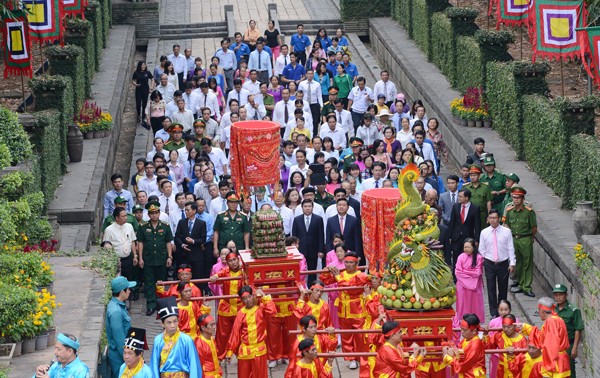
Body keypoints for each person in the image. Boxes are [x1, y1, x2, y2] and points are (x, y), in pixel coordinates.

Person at [319, 251, 370, 370]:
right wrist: (326, 270)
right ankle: (350, 358)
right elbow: (325, 281)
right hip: (343, 309)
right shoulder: (341, 273)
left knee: (359, 335)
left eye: (351, 262)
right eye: (346, 262)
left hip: (357, 309)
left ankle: (361, 357)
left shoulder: (360, 275)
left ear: (356, 263)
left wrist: (337, 277)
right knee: (346, 335)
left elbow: (349, 287)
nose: (348, 265)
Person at [226, 286, 277, 378]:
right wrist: (230, 351)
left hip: (259, 350)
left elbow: (272, 311)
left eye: (249, 297)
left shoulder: (261, 309)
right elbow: (235, 333)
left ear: (253, 296)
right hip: (245, 351)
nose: (248, 300)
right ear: (241, 300)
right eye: (244, 298)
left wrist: (263, 295)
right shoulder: (241, 313)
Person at [137, 201, 174, 316]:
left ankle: (160, 305)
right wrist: (140, 258)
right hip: (148, 259)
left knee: (161, 283)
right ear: (148, 214)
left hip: (161, 258)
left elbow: (168, 242)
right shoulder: (143, 227)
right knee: (149, 283)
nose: (154, 215)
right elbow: (140, 243)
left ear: (159, 213)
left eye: (156, 213)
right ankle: (150, 305)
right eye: (152, 213)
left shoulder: (165, 226)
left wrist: (169, 256)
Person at [478, 209, 516, 319]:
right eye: (491, 218)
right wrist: (486, 260)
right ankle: (494, 312)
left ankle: (503, 310)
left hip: (503, 263)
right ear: (488, 219)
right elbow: (481, 249)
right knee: (491, 288)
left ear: (499, 218)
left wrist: (512, 263)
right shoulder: (484, 232)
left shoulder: (506, 232)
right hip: (490, 263)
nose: (493, 220)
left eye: (495, 218)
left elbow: (510, 248)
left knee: (503, 288)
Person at [150, 297, 202, 376]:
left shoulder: (186, 340)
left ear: (178, 321)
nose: (173, 325)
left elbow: (194, 364)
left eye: (175, 321)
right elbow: (154, 365)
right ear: (162, 324)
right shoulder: (158, 340)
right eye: (169, 322)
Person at [521, 297, 571, 377]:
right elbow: (543, 337)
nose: (538, 312)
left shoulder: (551, 322)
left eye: (539, 309)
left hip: (556, 362)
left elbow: (551, 346)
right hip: (560, 360)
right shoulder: (557, 319)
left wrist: (549, 367)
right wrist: (525, 328)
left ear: (542, 310)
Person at [209, 250, 245, 359]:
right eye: (230, 261)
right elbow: (216, 276)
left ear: (238, 260)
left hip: (240, 306)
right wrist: (214, 277)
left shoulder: (244, 272)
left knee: (241, 332)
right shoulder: (225, 271)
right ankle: (219, 356)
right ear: (227, 263)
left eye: (235, 260)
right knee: (222, 334)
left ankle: (240, 354)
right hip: (226, 306)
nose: (233, 263)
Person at [504, 185, 537, 298]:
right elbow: (507, 224)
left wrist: (531, 238)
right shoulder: (509, 211)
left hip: (525, 238)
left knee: (527, 263)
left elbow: (533, 227)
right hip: (514, 239)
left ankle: (527, 286)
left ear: (523, 199)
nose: (516, 199)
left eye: (518, 197)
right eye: (514, 197)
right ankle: (520, 283)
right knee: (518, 263)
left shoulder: (528, 212)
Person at [106, 276, 136, 378]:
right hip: (119, 356)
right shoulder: (116, 312)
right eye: (128, 289)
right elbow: (119, 339)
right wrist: (128, 357)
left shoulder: (117, 306)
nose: (130, 291)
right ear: (122, 292)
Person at [453, 239, 485, 331]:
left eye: (468, 247)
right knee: (463, 305)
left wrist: (465, 271)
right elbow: (458, 272)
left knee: (475, 305)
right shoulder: (460, 257)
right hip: (463, 286)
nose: (466, 249)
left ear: (473, 248)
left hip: (475, 286)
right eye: (465, 247)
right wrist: (470, 273)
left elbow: (478, 272)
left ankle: (475, 324)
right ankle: (463, 324)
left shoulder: (479, 258)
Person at [553, 283, 584, 377]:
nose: (558, 297)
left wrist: (574, 348)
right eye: (556, 295)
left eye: (561, 295)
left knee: (569, 367)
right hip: (555, 343)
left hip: (568, 344)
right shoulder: (553, 308)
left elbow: (578, 329)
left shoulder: (574, 310)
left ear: (566, 295)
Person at [448, 189, 481, 274]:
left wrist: (476, 240)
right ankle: (455, 277)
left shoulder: (475, 209)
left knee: (468, 258)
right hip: (456, 238)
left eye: (460, 196)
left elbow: (477, 226)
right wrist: (450, 236)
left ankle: (467, 274)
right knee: (455, 258)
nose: (458, 198)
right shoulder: (456, 206)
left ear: (466, 198)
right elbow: (452, 222)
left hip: (468, 238)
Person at [291, 199, 325, 283]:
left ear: (312, 207)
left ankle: (311, 288)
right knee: (299, 270)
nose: (307, 208)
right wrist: (295, 250)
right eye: (305, 206)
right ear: (302, 208)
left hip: (313, 249)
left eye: (309, 206)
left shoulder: (318, 219)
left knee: (312, 271)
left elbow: (321, 235)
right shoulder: (297, 219)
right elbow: (294, 236)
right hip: (300, 250)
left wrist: (321, 250)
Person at [174, 202, 207, 286]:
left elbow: (203, 239)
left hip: (197, 255)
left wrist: (193, 241)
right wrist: (182, 244)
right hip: (184, 255)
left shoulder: (201, 223)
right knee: (184, 278)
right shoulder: (181, 222)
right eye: (185, 210)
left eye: (188, 210)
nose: (186, 212)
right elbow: (177, 236)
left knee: (198, 278)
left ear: (194, 211)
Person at [487, 300, 519, 378]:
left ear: (510, 310)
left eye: (506, 309)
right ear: (497, 310)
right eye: (501, 310)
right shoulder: (493, 322)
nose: (503, 312)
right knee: (496, 372)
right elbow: (490, 339)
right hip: (497, 353)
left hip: (510, 352)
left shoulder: (515, 321)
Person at [462, 164, 492, 229]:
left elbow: (488, 202)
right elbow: (462, 201)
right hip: (469, 213)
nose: (472, 177)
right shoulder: (465, 187)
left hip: (482, 214)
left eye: (474, 175)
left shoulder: (485, 187)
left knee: (482, 231)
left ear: (479, 176)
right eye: (471, 175)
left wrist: (489, 215)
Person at [132, 60, 154, 127]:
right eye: (142, 65)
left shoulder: (147, 72)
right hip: (138, 89)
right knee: (138, 104)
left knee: (144, 103)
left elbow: (152, 79)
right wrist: (135, 84)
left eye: (144, 65)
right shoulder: (136, 73)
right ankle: (138, 115)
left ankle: (143, 116)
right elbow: (133, 80)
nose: (143, 66)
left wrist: (151, 87)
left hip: (145, 89)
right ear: (139, 66)